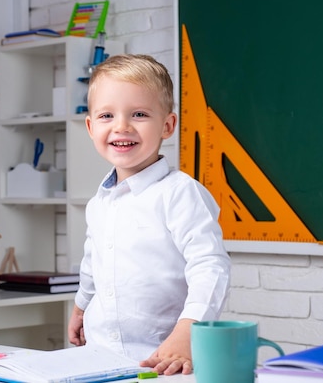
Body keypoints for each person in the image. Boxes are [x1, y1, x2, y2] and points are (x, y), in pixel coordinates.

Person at [67, 54, 230, 375]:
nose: (121, 126)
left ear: (167, 125)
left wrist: (187, 332)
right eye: (106, 115)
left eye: (139, 114)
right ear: (90, 126)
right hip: (100, 356)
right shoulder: (99, 201)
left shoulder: (180, 193)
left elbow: (210, 266)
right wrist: (80, 306)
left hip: (166, 359)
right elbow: (92, 262)